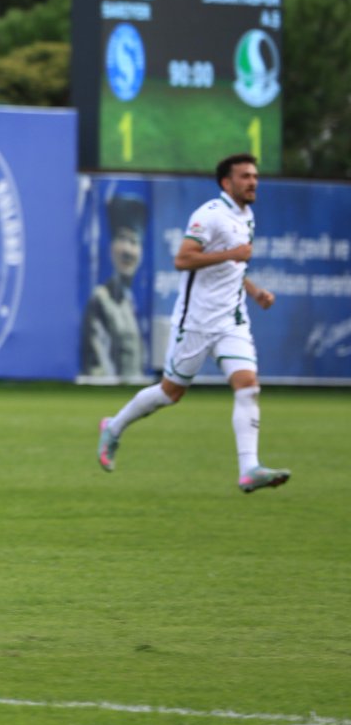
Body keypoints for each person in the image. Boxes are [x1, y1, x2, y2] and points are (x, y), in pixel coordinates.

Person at [96, 154, 290, 494]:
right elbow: (183, 259)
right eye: (245, 176)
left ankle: (249, 469)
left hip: (232, 321)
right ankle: (114, 426)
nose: (253, 182)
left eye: (255, 176)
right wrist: (232, 254)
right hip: (196, 322)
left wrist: (255, 292)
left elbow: (233, 268)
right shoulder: (209, 215)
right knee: (170, 393)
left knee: (248, 385)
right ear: (226, 182)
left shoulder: (246, 216)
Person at [81, 193, 147, 380]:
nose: (128, 250)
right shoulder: (101, 299)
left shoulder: (132, 303)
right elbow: (96, 367)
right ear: (110, 246)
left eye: (134, 242)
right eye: (122, 239)